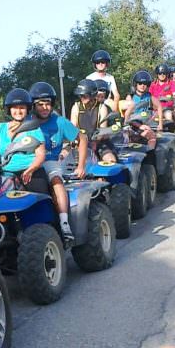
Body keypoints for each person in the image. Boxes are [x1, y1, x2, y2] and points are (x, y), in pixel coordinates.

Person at [29, 81, 84, 241]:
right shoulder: (27, 121)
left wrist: (81, 165)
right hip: (28, 161)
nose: (45, 108)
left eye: (48, 104)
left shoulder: (59, 121)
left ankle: (64, 223)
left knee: (56, 181)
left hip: (49, 161)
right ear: (33, 105)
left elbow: (82, 138)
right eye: (40, 104)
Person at [70, 79, 117, 164]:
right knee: (62, 156)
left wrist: (95, 142)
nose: (81, 98)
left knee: (111, 160)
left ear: (92, 95)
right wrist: (75, 141)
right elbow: (72, 127)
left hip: (98, 142)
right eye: (80, 96)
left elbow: (102, 130)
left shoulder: (102, 108)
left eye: (84, 96)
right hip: (80, 142)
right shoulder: (76, 107)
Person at [149, 63, 175, 137]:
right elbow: (148, 95)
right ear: (157, 74)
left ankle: (172, 137)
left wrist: (170, 97)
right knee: (148, 119)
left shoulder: (171, 83)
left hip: (167, 108)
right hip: (155, 110)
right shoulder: (153, 84)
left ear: (167, 74)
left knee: (169, 115)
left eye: (164, 73)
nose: (162, 75)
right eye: (160, 73)